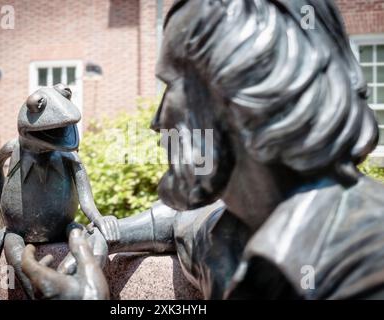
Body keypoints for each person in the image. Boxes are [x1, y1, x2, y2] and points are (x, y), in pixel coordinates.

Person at [21, 0, 384, 300]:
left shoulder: (365, 264)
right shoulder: (230, 231)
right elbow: (180, 220)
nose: (159, 121)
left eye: (173, 87)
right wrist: (104, 235)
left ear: (238, 97)